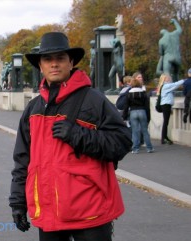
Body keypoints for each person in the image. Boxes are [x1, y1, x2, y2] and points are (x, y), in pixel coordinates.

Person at [9, 32, 132, 241]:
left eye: (60, 58)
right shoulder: (33, 108)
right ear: (41, 66)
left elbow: (122, 141)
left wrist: (79, 135)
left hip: (89, 212)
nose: (54, 64)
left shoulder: (93, 100)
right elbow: (23, 159)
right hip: (49, 212)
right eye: (48, 59)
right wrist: (18, 202)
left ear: (71, 62)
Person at [122, 75, 154, 154]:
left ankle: (135, 149)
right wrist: (148, 116)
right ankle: (149, 148)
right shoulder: (143, 93)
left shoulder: (129, 94)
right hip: (142, 111)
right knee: (145, 130)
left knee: (135, 131)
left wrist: (124, 117)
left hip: (133, 112)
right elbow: (147, 106)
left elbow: (126, 106)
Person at [156, 73, 185, 144]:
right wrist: (184, 80)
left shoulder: (164, 86)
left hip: (166, 105)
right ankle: (163, 138)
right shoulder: (166, 86)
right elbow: (175, 85)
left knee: (166, 122)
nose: (169, 78)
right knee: (166, 122)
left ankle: (165, 137)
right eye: (168, 77)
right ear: (165, 79)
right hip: (166, 105)